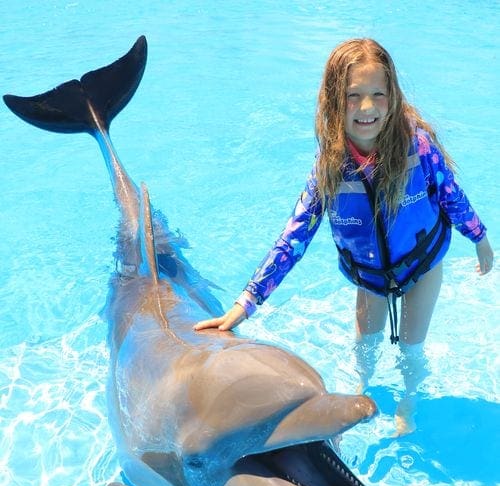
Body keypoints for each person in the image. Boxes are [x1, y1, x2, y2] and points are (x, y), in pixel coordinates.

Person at [194, 38, 494, 434]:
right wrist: (246, 303)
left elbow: (450, 193)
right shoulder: (330, 168)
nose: (367, 108)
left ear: (393, 96)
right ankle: (360, 391)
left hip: (422, 264)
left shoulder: (417, 147)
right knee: (363, 346)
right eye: (354, 96)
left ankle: (409, 403)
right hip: (370, 274)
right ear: (335, 100)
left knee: (411, 348)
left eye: (377, 95)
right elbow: (294, 237)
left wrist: (480, 238)